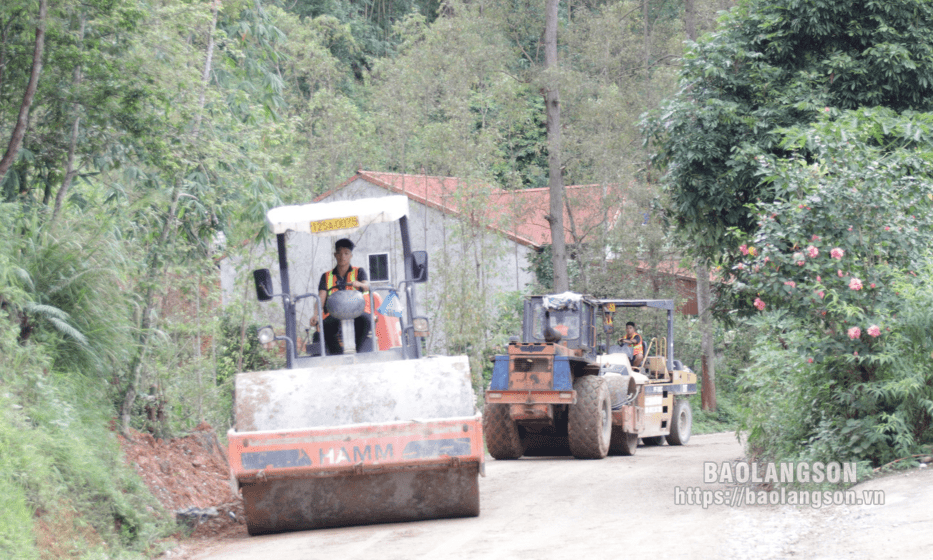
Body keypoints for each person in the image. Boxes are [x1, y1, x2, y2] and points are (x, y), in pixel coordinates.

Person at [309, 238, 373, 354]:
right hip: (334, 313)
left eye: (346, 253)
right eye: (339, 253)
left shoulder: (359, 271)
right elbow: (321, 297)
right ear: (335, 254)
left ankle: (357, 352)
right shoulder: (326, 276)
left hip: (356, 312)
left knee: (366, 320)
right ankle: (337, 354)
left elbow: (368, 286)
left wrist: (360, 284)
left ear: (351, 256)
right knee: (325, 326)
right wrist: (315, 314)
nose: (342, 256)